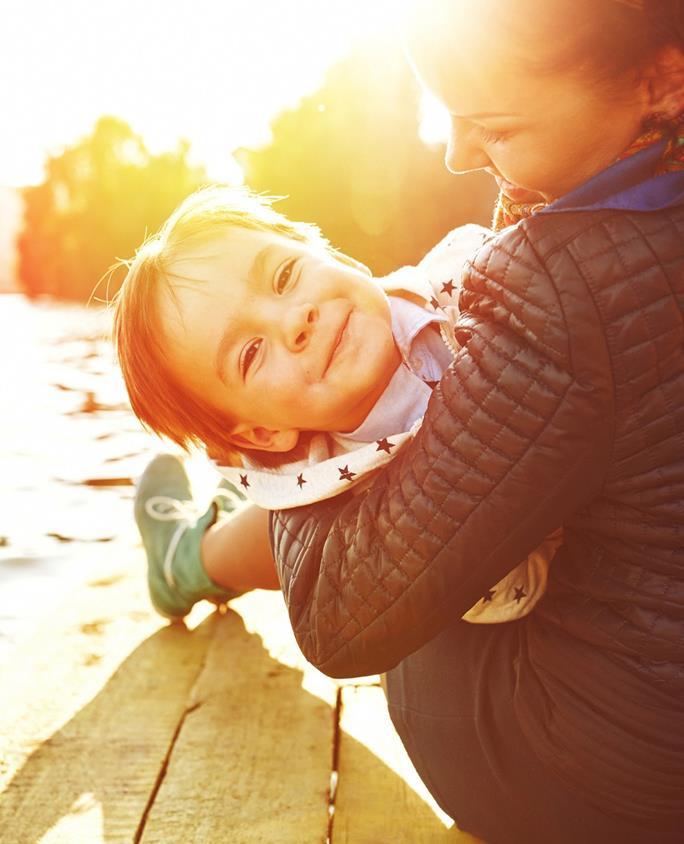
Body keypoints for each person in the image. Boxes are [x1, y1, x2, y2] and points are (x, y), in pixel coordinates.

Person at [265, 1, 683, 842]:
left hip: (609, 781)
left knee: (399, 521)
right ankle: (203, 548)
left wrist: (283, 454)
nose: (456, 154)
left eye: (490, 125)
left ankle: (200, 547)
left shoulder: (564, 288)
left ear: (661, 81)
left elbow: (339, 615)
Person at [113, 187, 557, 622]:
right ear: (264, 432)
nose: (293, 319)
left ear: (336, 256)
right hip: (347, 493)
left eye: (285, 276)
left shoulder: (470, 275)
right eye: (250, 353)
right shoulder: (359, 516)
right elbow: (501, 588)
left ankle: (210, 531)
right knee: (296, 524)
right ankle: (184, 563)